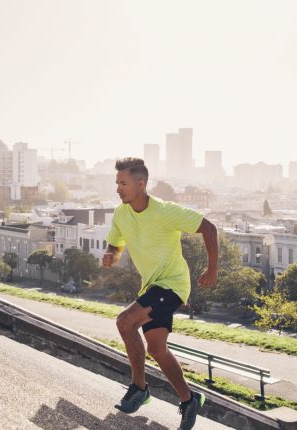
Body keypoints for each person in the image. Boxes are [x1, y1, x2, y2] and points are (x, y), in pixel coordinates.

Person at [103, 157, 218, 430]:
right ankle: (190, 400)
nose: (118, 189)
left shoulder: (165, 211)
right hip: (152, 287)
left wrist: (212, 270)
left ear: (140, 184)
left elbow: (208, 228)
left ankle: (139, 388)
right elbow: (115, 245)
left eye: (123, 183)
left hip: (173, 285)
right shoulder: (121, 214)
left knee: (124, 321)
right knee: (156, 348)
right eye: (117, 183)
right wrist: (111, 255)